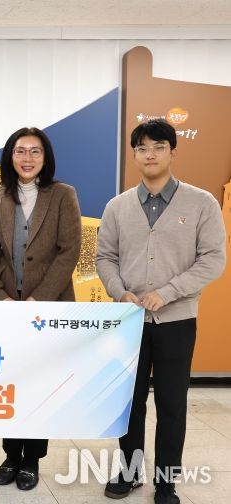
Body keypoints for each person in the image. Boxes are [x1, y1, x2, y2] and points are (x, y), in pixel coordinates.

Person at [97, 119, 225, 504]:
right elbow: (105, 257)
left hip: (177, 321)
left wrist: (168, 292)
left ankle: (166, 482)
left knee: (171, 404)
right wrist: (120, 293)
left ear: (173, 151)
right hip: (129, 322)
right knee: (129, 403)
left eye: (158, 147)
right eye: (142, 148)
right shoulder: (117, 206)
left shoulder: (201, 203)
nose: (149, 154)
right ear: (134, 154)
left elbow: (213, 260)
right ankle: (131, 472)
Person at [0, 127, 82, 491]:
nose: (27, 158)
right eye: (20, 151)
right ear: (10, 156)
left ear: (45, 157)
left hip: (49, 308)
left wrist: (38, 300)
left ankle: (31, 459)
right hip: (8, 307)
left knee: (41, 384)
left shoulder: (63, 195)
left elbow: (69, 251)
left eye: (35, 151)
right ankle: (11, 455)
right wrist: (1, 297)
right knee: (11, 382)